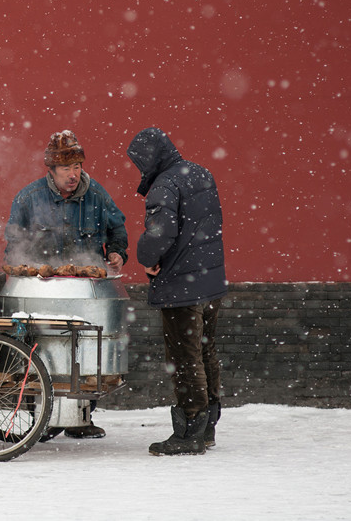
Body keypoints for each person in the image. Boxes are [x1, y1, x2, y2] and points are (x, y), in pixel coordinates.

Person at [4, 130, 129, 439]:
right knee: (42, 349)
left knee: (85, 349)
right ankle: (42, 418)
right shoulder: (29, 198)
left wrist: (117, 252)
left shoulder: (97, 195)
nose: (73, 175)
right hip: (42, 289)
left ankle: (82, 417)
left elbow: (117, 230)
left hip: (85, 288)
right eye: (66, 169)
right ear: (51, 170)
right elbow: (13, 242)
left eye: (77, 168)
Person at [126, 127, 227, 456]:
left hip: (180, 283)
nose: (140, 170)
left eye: (140, 162)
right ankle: (208, 425)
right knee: (204, 351)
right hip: (209, 281)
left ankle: (189, 429)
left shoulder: (164, 184)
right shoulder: (201, 173)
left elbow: (160, 233)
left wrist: (148, 259)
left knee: (184, 356)